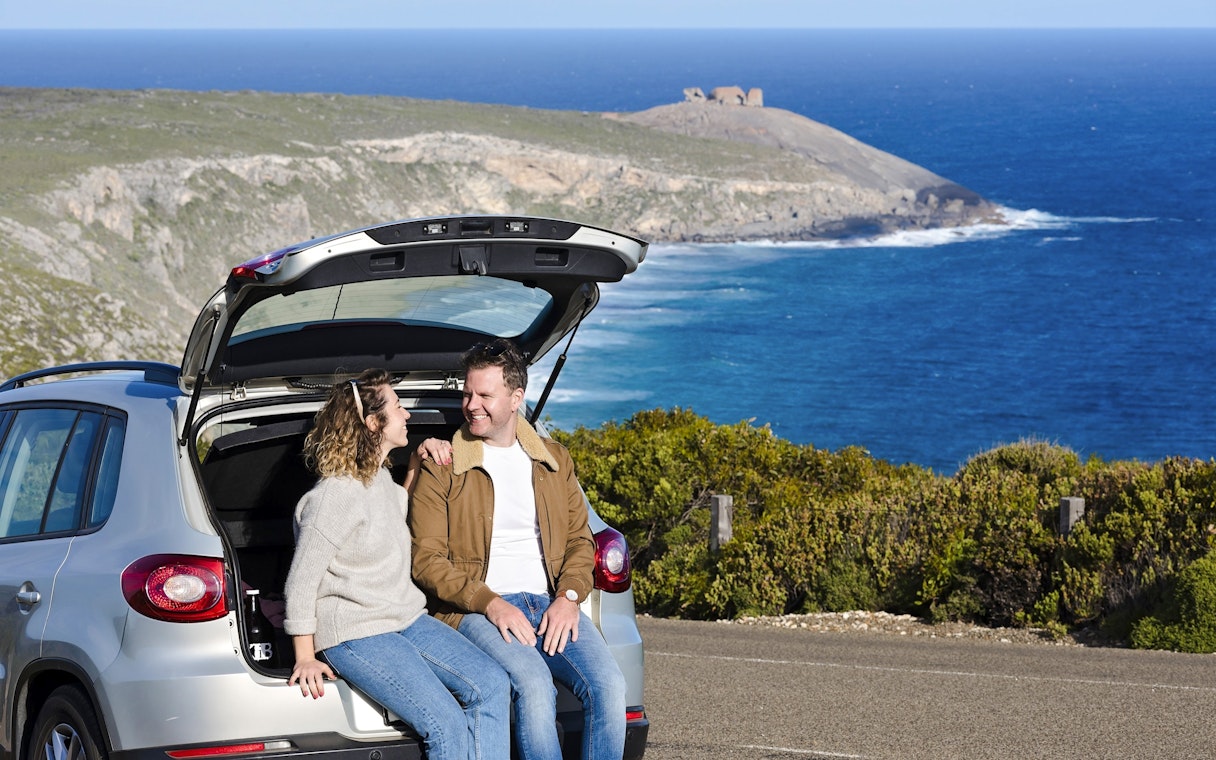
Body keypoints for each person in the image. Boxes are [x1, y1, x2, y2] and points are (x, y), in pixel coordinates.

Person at [409, 339, 627, 760]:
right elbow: (426, 561)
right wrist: (490, 603)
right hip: (474, 609)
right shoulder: (445, 465)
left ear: (516, 399)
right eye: (468, 393)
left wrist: (568, 598)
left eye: (485, 395)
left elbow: (581, 542)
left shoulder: (554, 460)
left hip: (550, 604)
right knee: (533, 686)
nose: (472, 404)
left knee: (610, 686)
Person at [283, 368, 509, 760]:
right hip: (356, 631)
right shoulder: (332, 497)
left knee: (491, 683)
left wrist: (418, 465)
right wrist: (305, 656)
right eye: (399, 407)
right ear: (373, 423)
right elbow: (301, 583)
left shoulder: (378, 481)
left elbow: (394, 509)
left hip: (404, 619)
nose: (407, 415)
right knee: (446, 725)